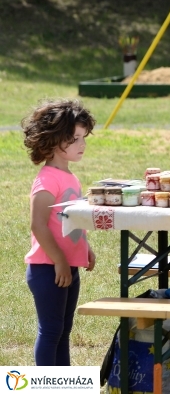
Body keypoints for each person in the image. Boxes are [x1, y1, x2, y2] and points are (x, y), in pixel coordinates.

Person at [22, 99, 97, 366]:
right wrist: (60, 261)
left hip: (66, 268)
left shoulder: (71, 178)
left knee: (64, 332)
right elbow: (38, 225)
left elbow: (70, 221)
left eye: (83, 138)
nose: (82, 144)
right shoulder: (46, 180)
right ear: (54, 141)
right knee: (51, 330)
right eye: (75, 139)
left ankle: (62, 384)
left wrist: (84, 248)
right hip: (48, 268)